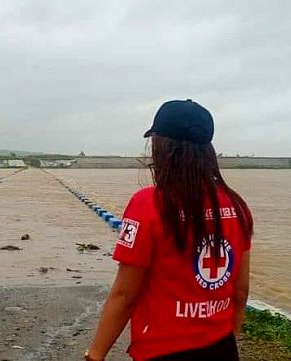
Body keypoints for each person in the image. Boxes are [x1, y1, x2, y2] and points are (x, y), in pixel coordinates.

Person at [85, 99, 254, 361]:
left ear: (162, 147)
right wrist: (225, 338)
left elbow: (124, 296)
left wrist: (95, 355)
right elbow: (241, 291)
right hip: (222, 347)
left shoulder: (147, 205)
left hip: (162, 350)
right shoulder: (236, 205)